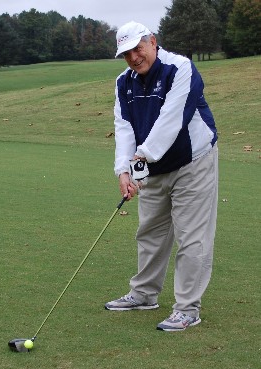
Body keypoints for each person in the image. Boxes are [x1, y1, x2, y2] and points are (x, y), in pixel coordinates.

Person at [105, 21, 218, 332]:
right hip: (152, 165)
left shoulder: (180, 68)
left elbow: (173, 119)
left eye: (138, 49)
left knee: (191, 237)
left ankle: (187, 309)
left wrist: (141, 159)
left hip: (192, 160)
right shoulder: (123, 82)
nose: (133, 57)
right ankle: (144, 294)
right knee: (150, 231)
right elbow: (125, 127)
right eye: (126, 53)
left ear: (152, 42)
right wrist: (124, 170)